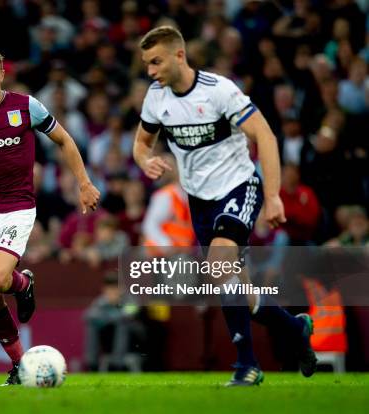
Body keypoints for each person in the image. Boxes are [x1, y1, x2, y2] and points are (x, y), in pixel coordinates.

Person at [132, 26, 317, 386]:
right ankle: (296, 328)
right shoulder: (156, 98)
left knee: (219, 267)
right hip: (199, 202)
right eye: (146, 64)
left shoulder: (220, 91)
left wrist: (275, 195)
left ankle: (247, 365)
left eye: (156, 62)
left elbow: (264, 134)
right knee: (243, 294)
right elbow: (141, 143)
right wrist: (144, 160)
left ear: (179, 55)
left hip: (238, 187)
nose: (151, 72)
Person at [0, 48, 100, 385]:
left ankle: (23, 283)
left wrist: (83, 183)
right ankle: (19, 364)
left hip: (19, 208)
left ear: (2, 75)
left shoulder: (26, 106)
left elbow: (64, 140)